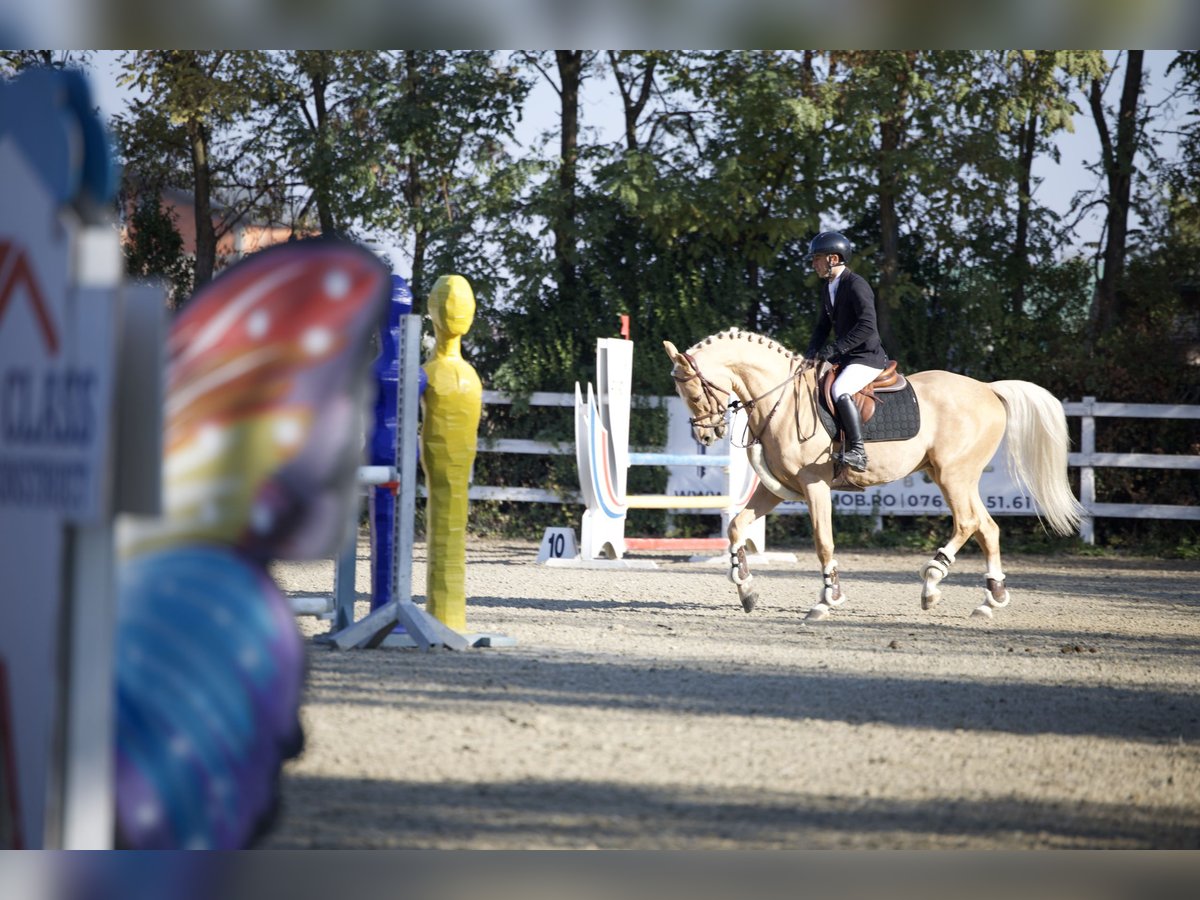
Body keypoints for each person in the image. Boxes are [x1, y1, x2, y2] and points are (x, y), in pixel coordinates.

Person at [803, 230, 888, 472]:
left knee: (840, 389)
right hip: (847, 356)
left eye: (817, 258)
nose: (813, 264)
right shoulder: (830, 288)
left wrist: (834, 348)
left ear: (833, 258)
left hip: (867, 357)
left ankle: (858, 451)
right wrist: (811, 353)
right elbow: (822, 326)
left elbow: (868, 325)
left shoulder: (856, 284)